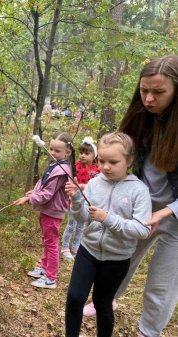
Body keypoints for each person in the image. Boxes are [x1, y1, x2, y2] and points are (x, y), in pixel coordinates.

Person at [83, 55, 178, 337]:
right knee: (120, 257)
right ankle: (108, 298)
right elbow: (120, 160)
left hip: (174, 214)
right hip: (141, 205)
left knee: (161, 282)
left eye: (158, 92)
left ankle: (149, 332)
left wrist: (165, 212)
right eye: (144, 90)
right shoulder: (141, 118)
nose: (149, 99)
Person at [64, 132, 152, 337]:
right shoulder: (95, 184)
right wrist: (77, 200)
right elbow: (82, 219)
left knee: (102, 303)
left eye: (113, 161)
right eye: (102, 160)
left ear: (129, 160)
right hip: (89, 250)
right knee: (75, 297)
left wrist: (108, 218)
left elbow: (143, 229)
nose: (105, 167)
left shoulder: (139, 190)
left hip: (117, 258)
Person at [14, 132, 74, 289]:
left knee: (51, 243)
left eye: (57, 151)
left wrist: (29, 199)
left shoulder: (62, 170)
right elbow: (43, 183)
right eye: (51, 148)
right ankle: (44, 268)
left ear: (67, 152)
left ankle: (51, 278)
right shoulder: (55, 165)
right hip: (48, 210)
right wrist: (33, 193)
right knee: (47, 241)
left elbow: (48, 194)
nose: (53, 153)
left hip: (53, 212)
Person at [61, 136, 99, 261]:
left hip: (88, 202)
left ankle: (76, 246)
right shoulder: (75, 166)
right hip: (75, 200)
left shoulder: (98, 169)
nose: (83, 156)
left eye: (87, 153)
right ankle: (65, 247)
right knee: (71, 224)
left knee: (81, 226)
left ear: (94, 155)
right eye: (81, 153)